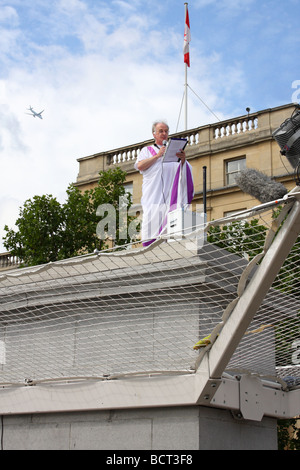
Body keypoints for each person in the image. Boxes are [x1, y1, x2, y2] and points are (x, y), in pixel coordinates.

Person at [134, 121, 194, 246]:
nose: (164, 133)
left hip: (171, 199)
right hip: (153, 198)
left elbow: (186, 172)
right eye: (161, 131)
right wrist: (157, 156)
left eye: (166, 131)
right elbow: (140, 165)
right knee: (151, 227)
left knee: (172, 229)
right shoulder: (147, 150)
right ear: (154, 134)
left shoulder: (174, 153)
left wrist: (183, 160)